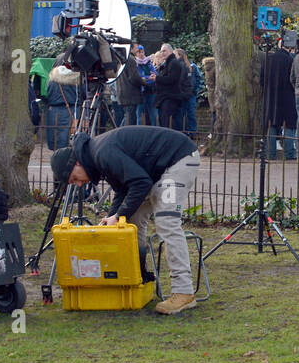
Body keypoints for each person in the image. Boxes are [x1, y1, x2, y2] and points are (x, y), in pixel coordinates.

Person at [50, 126, 201, 315]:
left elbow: (140, 183)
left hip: (178, 159)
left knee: (167, 222)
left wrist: (117, 216)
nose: (79, 184)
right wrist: (112, 218)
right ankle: (136, 279)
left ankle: (184, 291)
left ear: (77, 164)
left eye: (74, 179)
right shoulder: (97, 155)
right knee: (131, 221)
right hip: (156, 170)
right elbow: (123, 190)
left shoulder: (103, 153)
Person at [261, 36, 298, 159]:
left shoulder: (268, 59)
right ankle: (289, 153)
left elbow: (262, 80)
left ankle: (270, 153)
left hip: (271, 97)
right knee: (289, 124)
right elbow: (294, 79)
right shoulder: (290, 60)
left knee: (271, 123)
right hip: (288, 96)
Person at [44, 58, 83, 152]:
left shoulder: (52, 80)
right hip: (73, 111)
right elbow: (83, 95)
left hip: (54, 111)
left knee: (55, 137)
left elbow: (47, 94)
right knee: (71, 135)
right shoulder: (77, 80)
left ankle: (57, 155)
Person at [153, 43, 187, 132]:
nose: (162, 53)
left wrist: (157, 78)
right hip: (165, 98)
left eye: (164, 51)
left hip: (170, 98)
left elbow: (172, 79)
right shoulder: (168, 63)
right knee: (164, 123)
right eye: (161, 51)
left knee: (168, 124)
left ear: (171, 51)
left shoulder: (173, 63)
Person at [115, 44, 145, 125]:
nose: (137, 49)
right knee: (129, 119)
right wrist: (144, 81)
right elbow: (134, 77)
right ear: (131, 49)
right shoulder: (130, 60)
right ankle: (122, 135)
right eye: (136, 48)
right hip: (130, 94)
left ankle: (120, 133)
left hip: (123, 92)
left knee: (127, 116)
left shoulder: (121, 59)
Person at [179, 49, 202, 138]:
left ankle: (192, 132)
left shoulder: (193, 66)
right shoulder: (179, 66)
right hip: (182, 94)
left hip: (191, 95)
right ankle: (183, 132)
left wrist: (195, 91)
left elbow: (199, 79)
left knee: (191, 113)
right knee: (181, 114)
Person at [134, 45, 158, 126]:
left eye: (142, 52)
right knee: (139, 114)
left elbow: (155, 74)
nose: (141, 54)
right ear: (136, 54)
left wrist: (148, 78)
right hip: (141, 92)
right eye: (139, 52)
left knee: (153, 113)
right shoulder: (135, 65)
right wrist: (149, 78)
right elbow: (139, 77)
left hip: (151, 91)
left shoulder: (149, 63)